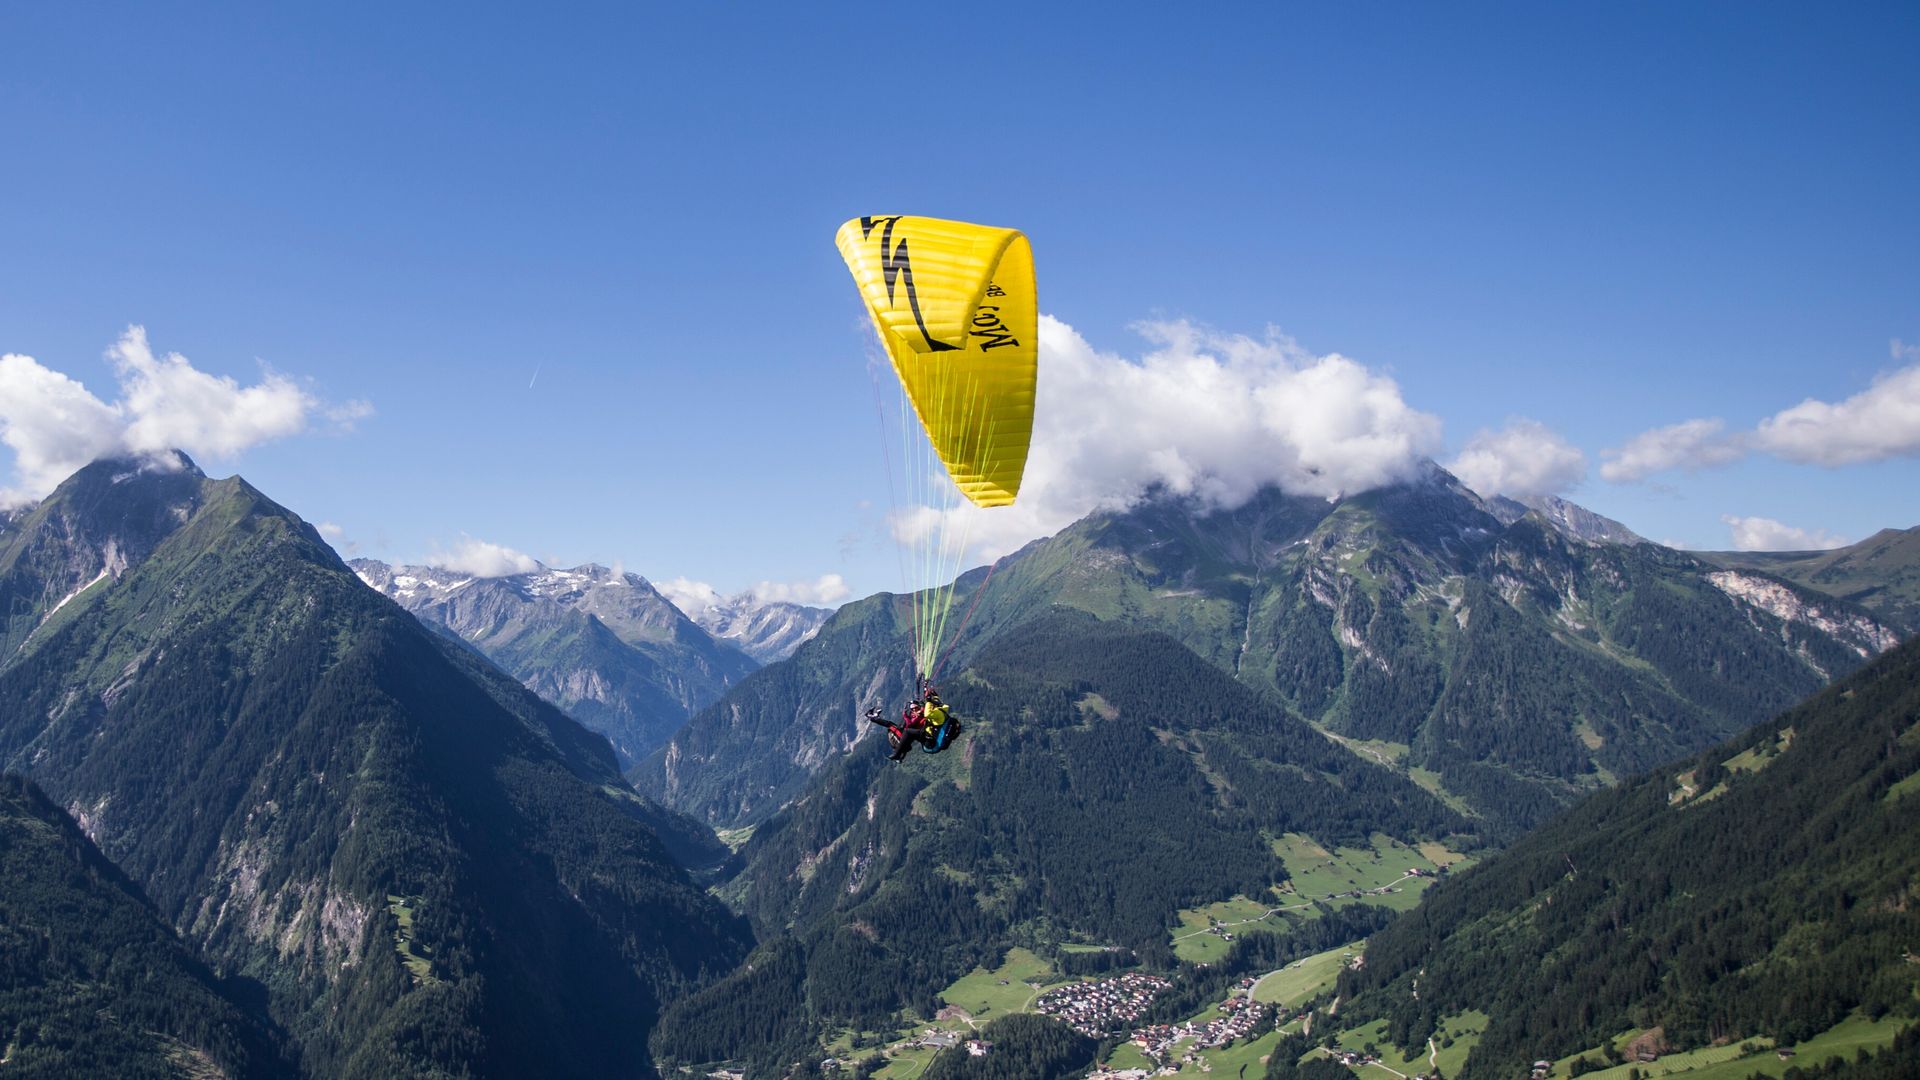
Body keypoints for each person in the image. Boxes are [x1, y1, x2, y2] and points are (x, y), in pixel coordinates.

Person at [865, 685, 960, 761]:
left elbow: (927, 712)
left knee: (906, 731)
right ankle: (874, 717)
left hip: (930, 741)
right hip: (927, 737)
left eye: (916, 708)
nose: (914, 710)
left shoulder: (937, 713)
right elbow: (925, 704)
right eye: (912, 709)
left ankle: (897, 754)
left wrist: (928, 700)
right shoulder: (933, 711)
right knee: (905, 731)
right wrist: (926, 688)